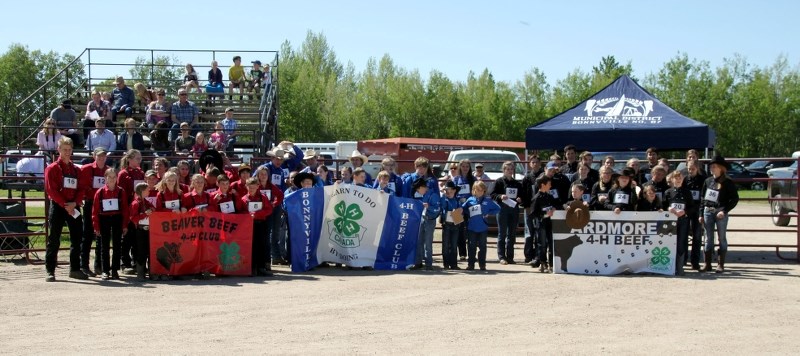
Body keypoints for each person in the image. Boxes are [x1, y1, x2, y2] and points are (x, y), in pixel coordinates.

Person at [44, 137, 87, 281]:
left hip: (73, 205)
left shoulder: (76, 169)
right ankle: (50, 270)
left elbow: (81, 188)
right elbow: (52, 190)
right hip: (58, 205)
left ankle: (75, 269)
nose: (67, 152)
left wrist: (75, 203)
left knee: (77, 237)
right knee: (54, 238)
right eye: (64, 150)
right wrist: (65, 205)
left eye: (69, 150)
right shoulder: (52, 168)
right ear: (59, 150)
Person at [700, 155, 739, 273]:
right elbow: (702, 198)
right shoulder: (707, 181)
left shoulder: (728, 182)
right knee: (708, 238)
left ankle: (720, 264)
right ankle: (707, 264)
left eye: (714, 166)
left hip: (720, 212)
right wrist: (701, 213)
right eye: (711, 166)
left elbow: (734, 199)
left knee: (722, 238)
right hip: (708, 211)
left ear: (721, 168)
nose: (712, 168)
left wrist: (724, 210)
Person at [92, 167, 129, 280]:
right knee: (104, 246)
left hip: (117, 218)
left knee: (117, 245)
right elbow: (95, 211)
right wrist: (96, 226)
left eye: (114, 177)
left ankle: (115, 270)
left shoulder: (121, 191)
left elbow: (125, 210)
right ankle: (105, 270)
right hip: (104, 219)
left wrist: (124, 225)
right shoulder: (100, 192)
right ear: (105, 178)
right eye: (110, 177)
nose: (112, 179)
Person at [79, 147, 111, 276]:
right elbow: (83, 187)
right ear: (94, 156)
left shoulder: (108, 170)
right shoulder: (86, 169)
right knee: (87, 235)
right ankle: (84, 265)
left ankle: (99, 265)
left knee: (102, 235)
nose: (102, 159)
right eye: (99, 156)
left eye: (104, 156)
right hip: (90, 203)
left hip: (105, 206)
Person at [117, 149, 145, 273]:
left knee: (136, 236)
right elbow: (122, 193)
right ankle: (124, 262)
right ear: (129, 159)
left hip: (138, 208)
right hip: (127, 208)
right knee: (127, 236)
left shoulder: (140, 173)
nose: (140, 161)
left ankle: (135, 262)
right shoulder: (123, 174)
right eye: (137, 158)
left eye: (140, 158)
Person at [462, 181, 500, 271]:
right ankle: (470, 264)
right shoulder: (470, 200)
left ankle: (482, 265)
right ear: (474, 190)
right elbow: (463, 209)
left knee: (482, 247)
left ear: (484, 191)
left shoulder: (488, 200)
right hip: (472, 227)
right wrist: (466, 213)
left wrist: (489, 213)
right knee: (471, 246)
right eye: (477, 190)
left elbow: (498, 208)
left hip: (483, 227)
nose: (479, 191)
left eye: (481, 190)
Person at [490, 161, 522, 265]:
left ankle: (510, 257)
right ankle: (501, 257)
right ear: (504, 170)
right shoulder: (499, 182)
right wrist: (500, 196)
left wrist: (520, 199)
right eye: (507, 169)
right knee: (502, 233)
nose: (509, 171)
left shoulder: (517, 183)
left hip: (513, 210)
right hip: (502, 209)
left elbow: (522, 196)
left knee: (512, 234)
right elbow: (492, 194)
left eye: (511, 169)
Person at [664, 170, 695, 276]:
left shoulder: (687, 192)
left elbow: (692, 207)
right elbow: (662, 206)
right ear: (672, 179)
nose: (678, 180)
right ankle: (669, 266)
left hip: (683, 221)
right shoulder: (668, 192)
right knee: (669, 241)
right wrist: (668, 208)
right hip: (669, 222)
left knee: (681, 242)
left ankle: (679, 266)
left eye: (680, 178)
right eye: (676, 178)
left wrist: (685, 211)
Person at [242, 177, 273, 277]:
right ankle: (251, 268)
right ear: (246, 187)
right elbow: (241, 212)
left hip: (261, 224)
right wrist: (248, 215)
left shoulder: (263, 197)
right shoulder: (243, 199)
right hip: (249, 226)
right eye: (249, 187)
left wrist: (257, 214)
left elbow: (269, 210)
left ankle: (261, 267)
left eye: (253, 187)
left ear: (257, 187)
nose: (251, 189)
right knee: (251, 246)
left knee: (262, 245)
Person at [412, 177, 441, 271]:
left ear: (422, 187)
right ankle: (418, 262)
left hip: (429, 220)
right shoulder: (425, 194)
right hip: (422, 219)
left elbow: (437, 209)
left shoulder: (433, 195)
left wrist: (429, 207)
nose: (417, 191)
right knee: (419, 241)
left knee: (427, 243)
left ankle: (428, 264)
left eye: (418, 189)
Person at [530, 176, 557, 272]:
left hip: (550, 223)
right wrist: (545, 215)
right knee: (542, 244)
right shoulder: (536, 198)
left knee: (551, 242)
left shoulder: (549, 196)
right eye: (549, 184)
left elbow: (555, 204)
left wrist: (554, 208)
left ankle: (552, 263)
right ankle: (543, 263)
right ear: (543, 185)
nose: (550, 186)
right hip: (541, 224)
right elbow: (533, 213)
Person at [129, 182, 154, 280]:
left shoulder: (146, 201)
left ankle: (151, 271)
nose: (149, 191)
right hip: (139, 230)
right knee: (141, 251)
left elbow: (153, 208)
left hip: (148, 229)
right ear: (142, 191)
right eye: (147, 189)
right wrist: (145, 214)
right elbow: (133, 218)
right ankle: (140, 272)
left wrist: (152, 210)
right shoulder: (136, 203)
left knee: (149, 250)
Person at [684, 160, 706, 270]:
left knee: (697, 237)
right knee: (683, 236)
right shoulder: (685, 180)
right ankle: (683, 259)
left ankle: (695, 261)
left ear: (697, 168)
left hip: (697, 210)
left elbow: (703, 196)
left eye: (692, 169)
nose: (690, 171)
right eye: (689, 169)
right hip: (686, 210)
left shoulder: (703, 180)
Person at [520, 155, 542, 264]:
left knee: (539, 233)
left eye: (537, 162)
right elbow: (523, 194)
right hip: (529, 209)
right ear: (530, 164)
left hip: (540, 210)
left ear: (540, 163)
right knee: (529, 233)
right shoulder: (527, 178)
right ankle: (528, 255)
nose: (535, 164)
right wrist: (526, 206)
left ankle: (537, 256)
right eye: (533, 162)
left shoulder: (543, 177)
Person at [440, 181, 462, 270]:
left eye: (449, 190)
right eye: (446, 190)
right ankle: (446, 264)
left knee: (453, 245)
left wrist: (459, 210)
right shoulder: (444, 199)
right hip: (447, 224)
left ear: (454, 190)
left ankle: (454, 264)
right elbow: (443, 207)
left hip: (455, 224)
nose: (448, 192)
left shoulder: (457, 200)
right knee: (446, 245)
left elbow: (460, 209)